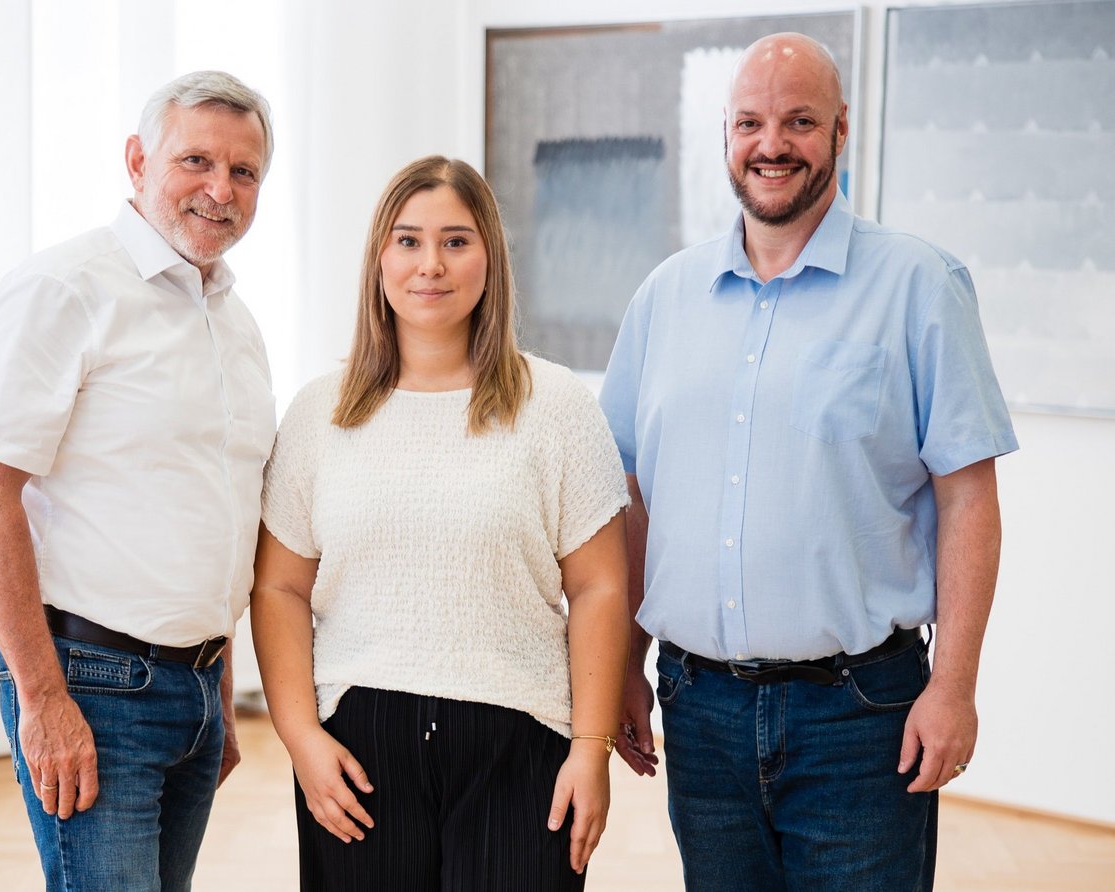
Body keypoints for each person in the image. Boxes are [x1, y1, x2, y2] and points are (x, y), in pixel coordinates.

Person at [599, 32, 1019, 892]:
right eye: (749, 122)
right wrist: (622, 667)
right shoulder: (664, 299)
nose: (772, 144)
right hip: (700, 710)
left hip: (861, 717)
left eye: (799, 120)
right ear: (726, 135)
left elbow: (969, 497)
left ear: (840, 130)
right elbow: (637, 499)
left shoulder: (918, 285)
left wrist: (955, 687)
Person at [253, 155, 630, 890]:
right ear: (379, 260)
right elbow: (278, 590)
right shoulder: (318, 414)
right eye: (408, 241)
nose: (431, 264)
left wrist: (591, 749)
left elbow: (600, 589)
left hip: (521, 743)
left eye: (456, 241)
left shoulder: (555, 407)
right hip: (359, 751)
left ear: (490, 256)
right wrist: (300, 739)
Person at [0, 70, 277, 891]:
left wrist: (219, 688)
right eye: (195, 160)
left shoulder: (232, 320)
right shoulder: (64, 288)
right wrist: (43, 700)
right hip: (92, 689)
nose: (220, 189)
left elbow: (214, 510)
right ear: (137, 160)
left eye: (244, 172)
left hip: (197, 690)